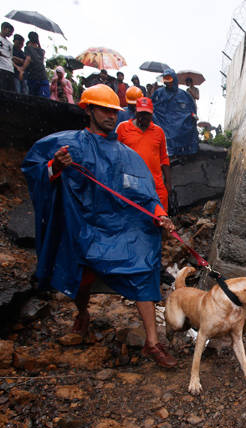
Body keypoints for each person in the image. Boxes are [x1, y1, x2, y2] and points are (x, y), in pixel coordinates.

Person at [21, 84, 178, 368]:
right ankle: (82, 314)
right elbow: (35, 170)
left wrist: (158, 214)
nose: (110, 115)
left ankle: (152, 342)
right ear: (88, 110)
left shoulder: (126, 155)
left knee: (145, 264)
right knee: (78, 264)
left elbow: (143, 193)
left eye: (114, 111)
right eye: (104, 110)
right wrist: (55, 167)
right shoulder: (68, 145)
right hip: (84, 227)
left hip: (120, 227)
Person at [117, 97, 171, 211]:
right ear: (136, 112)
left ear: (152, 114)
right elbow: (115, 156)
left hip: (156, 186)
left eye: (147, 113)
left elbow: (164, 158)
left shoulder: (159, 132)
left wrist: (168, 184)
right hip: (132, 186)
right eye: (141, 113)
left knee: (161, 220)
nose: (144, 117)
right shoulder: (123, 128)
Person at [151, 69, 199, 156]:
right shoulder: (159, 93)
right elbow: (152, 106)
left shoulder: (184, 95)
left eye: (169, 80)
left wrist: (192, 117)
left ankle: (184, 154)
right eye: (166, 80)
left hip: (179, 125)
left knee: (190, 129)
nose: (168, 83)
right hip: (163, 124)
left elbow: (192, 110)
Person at [23, 31, 49, 97]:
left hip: (33, 75)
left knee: (33, 97)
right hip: (42, 75)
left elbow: (28, 59)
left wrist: (22, 69)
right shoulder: (42, 51)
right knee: (44, 97)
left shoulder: (28, 48)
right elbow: (41, 62)